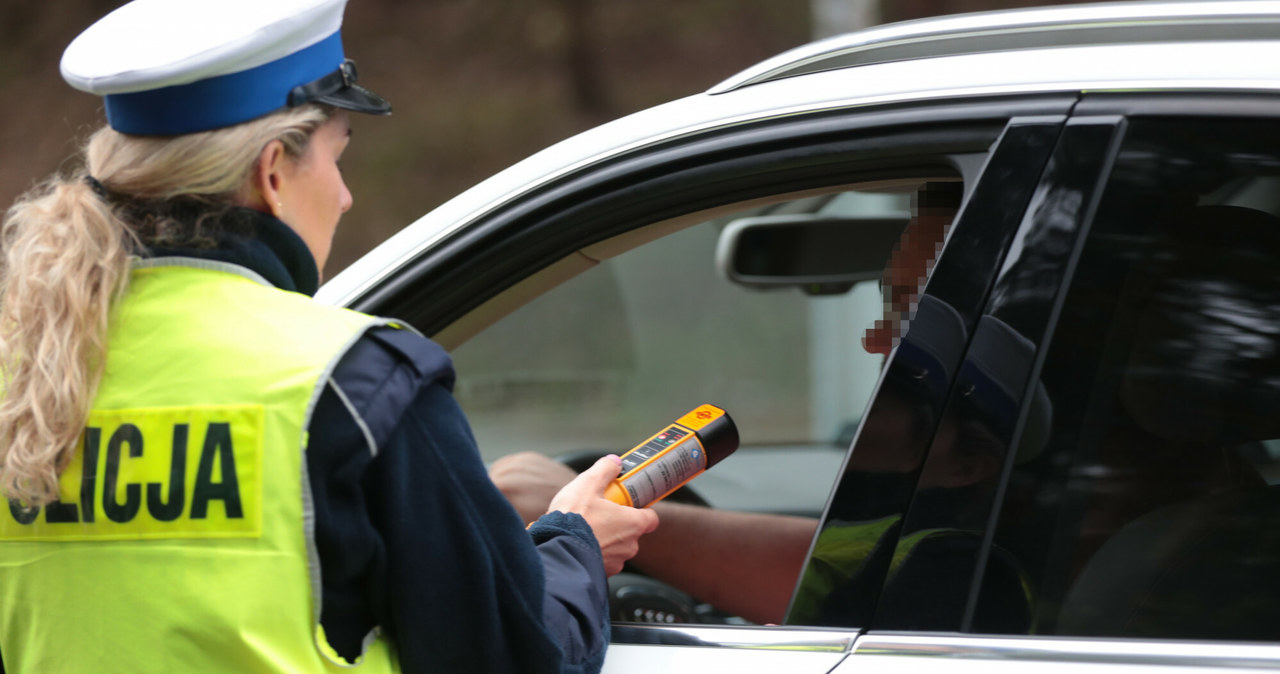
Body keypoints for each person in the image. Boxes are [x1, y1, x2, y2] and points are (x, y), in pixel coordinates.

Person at [0, 1, 657, 673]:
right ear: (273, 172)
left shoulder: (20, 374)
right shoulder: (356, 381)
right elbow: (515, 658)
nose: (344, 196)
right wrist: (573, 542)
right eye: (336, 156)